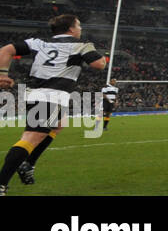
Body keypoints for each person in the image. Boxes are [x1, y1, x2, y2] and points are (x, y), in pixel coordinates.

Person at [0, 15, 109, 195]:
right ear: (71, 29)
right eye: (79, 25)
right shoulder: (81, 44)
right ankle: (2, 182)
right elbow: (99, 64)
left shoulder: (39, 42)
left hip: (35, 93)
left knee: (59, 124)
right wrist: (97, 54)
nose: (80, 29)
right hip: (51, 96)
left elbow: (6, 50)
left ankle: (28, 164)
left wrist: (3, 74)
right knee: (30, 138)